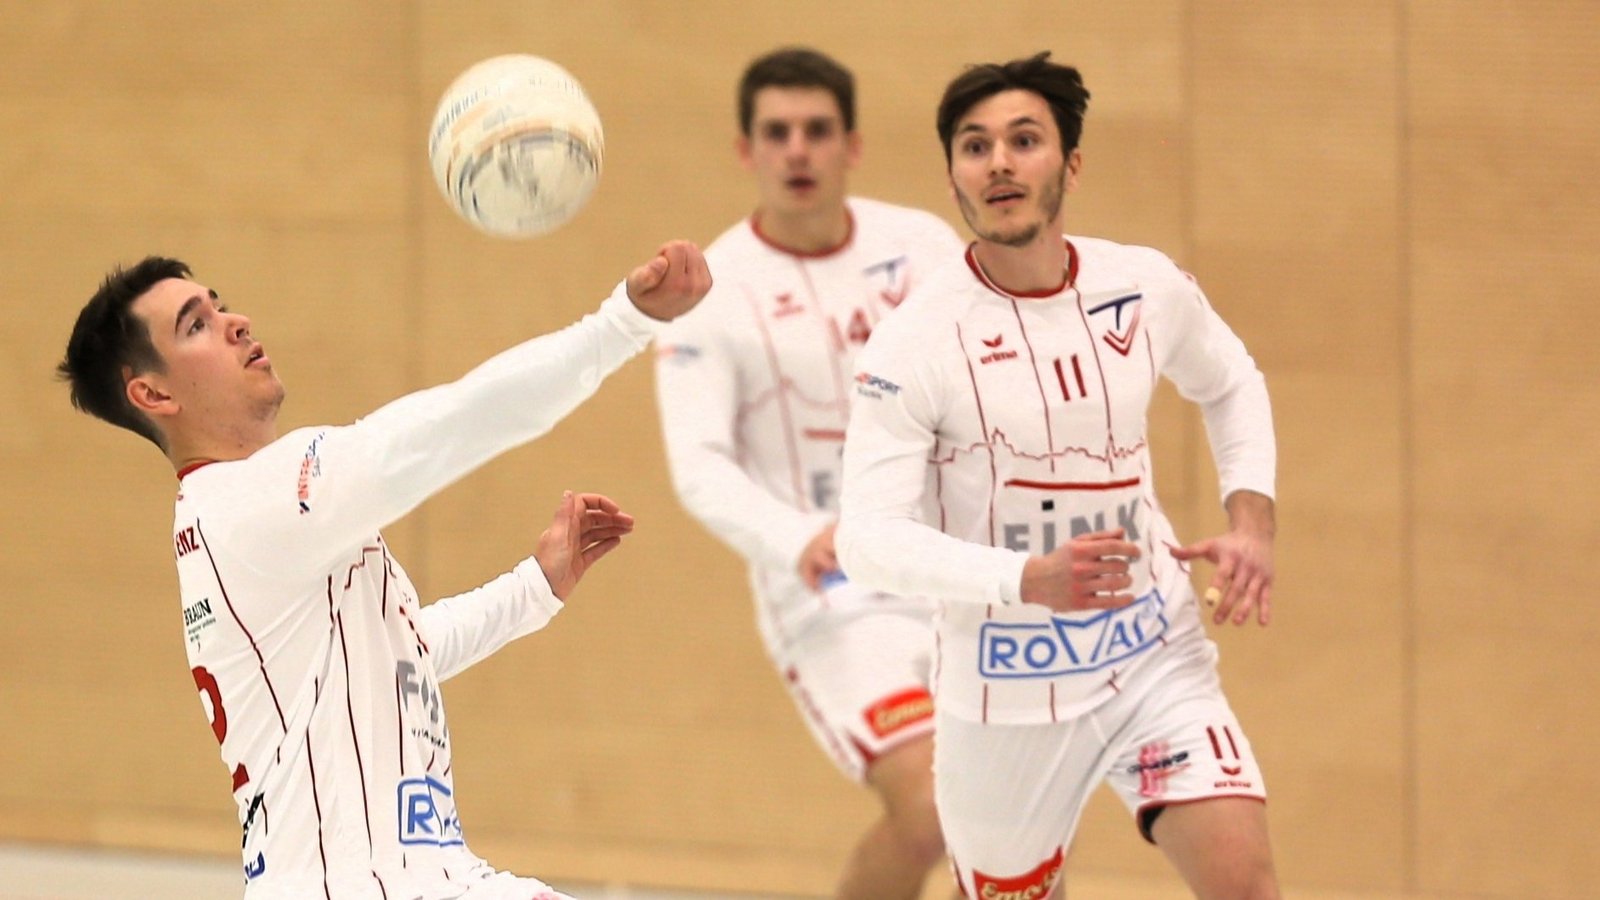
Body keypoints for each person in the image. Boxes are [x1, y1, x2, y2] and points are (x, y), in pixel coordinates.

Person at [57, 244, 711, 900]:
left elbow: (393, 659)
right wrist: (623, 324)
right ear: (151, 392)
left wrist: (531, 589)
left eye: (220, 305)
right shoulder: (257, 500)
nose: (237, 322)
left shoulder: (240, 520)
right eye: (195, 324)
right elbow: (460, 421)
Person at [835, 52, 1281, 899]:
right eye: (975, 146)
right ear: (954, 175)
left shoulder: (1142, 286)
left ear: (1070, 164)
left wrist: (1253, 519)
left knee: (1247, 886)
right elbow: (867, 540)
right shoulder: (914, 342)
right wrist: (1025, 578)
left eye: (1024, 140)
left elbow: (1230, 380)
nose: (998, 162)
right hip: (1003, 696)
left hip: (1152, 657)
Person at [652, 47, 965, 900]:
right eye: (777, 132)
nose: (798, 150)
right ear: (745, 150)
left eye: (818, 131)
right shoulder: (710, 295)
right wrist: (802, 540)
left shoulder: (924, 247)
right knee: (935, 808)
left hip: (960, 569)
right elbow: (699, 467)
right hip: (836, 594)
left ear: (852, 146)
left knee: (1019, 815)